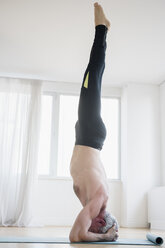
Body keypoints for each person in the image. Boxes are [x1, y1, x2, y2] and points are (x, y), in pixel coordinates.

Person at [69, 2, 119, 242]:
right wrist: (105, 238)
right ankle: (102, 28)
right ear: (101, 221)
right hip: (89, 134)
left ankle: (103, 30)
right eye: (98, 226)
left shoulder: (92, 201)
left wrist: (102, 234)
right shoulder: (99, 199)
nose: (92, 225)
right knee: (92, 75)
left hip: (86, 136)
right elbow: (75, 236)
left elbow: (80, 232)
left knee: (92, 78)